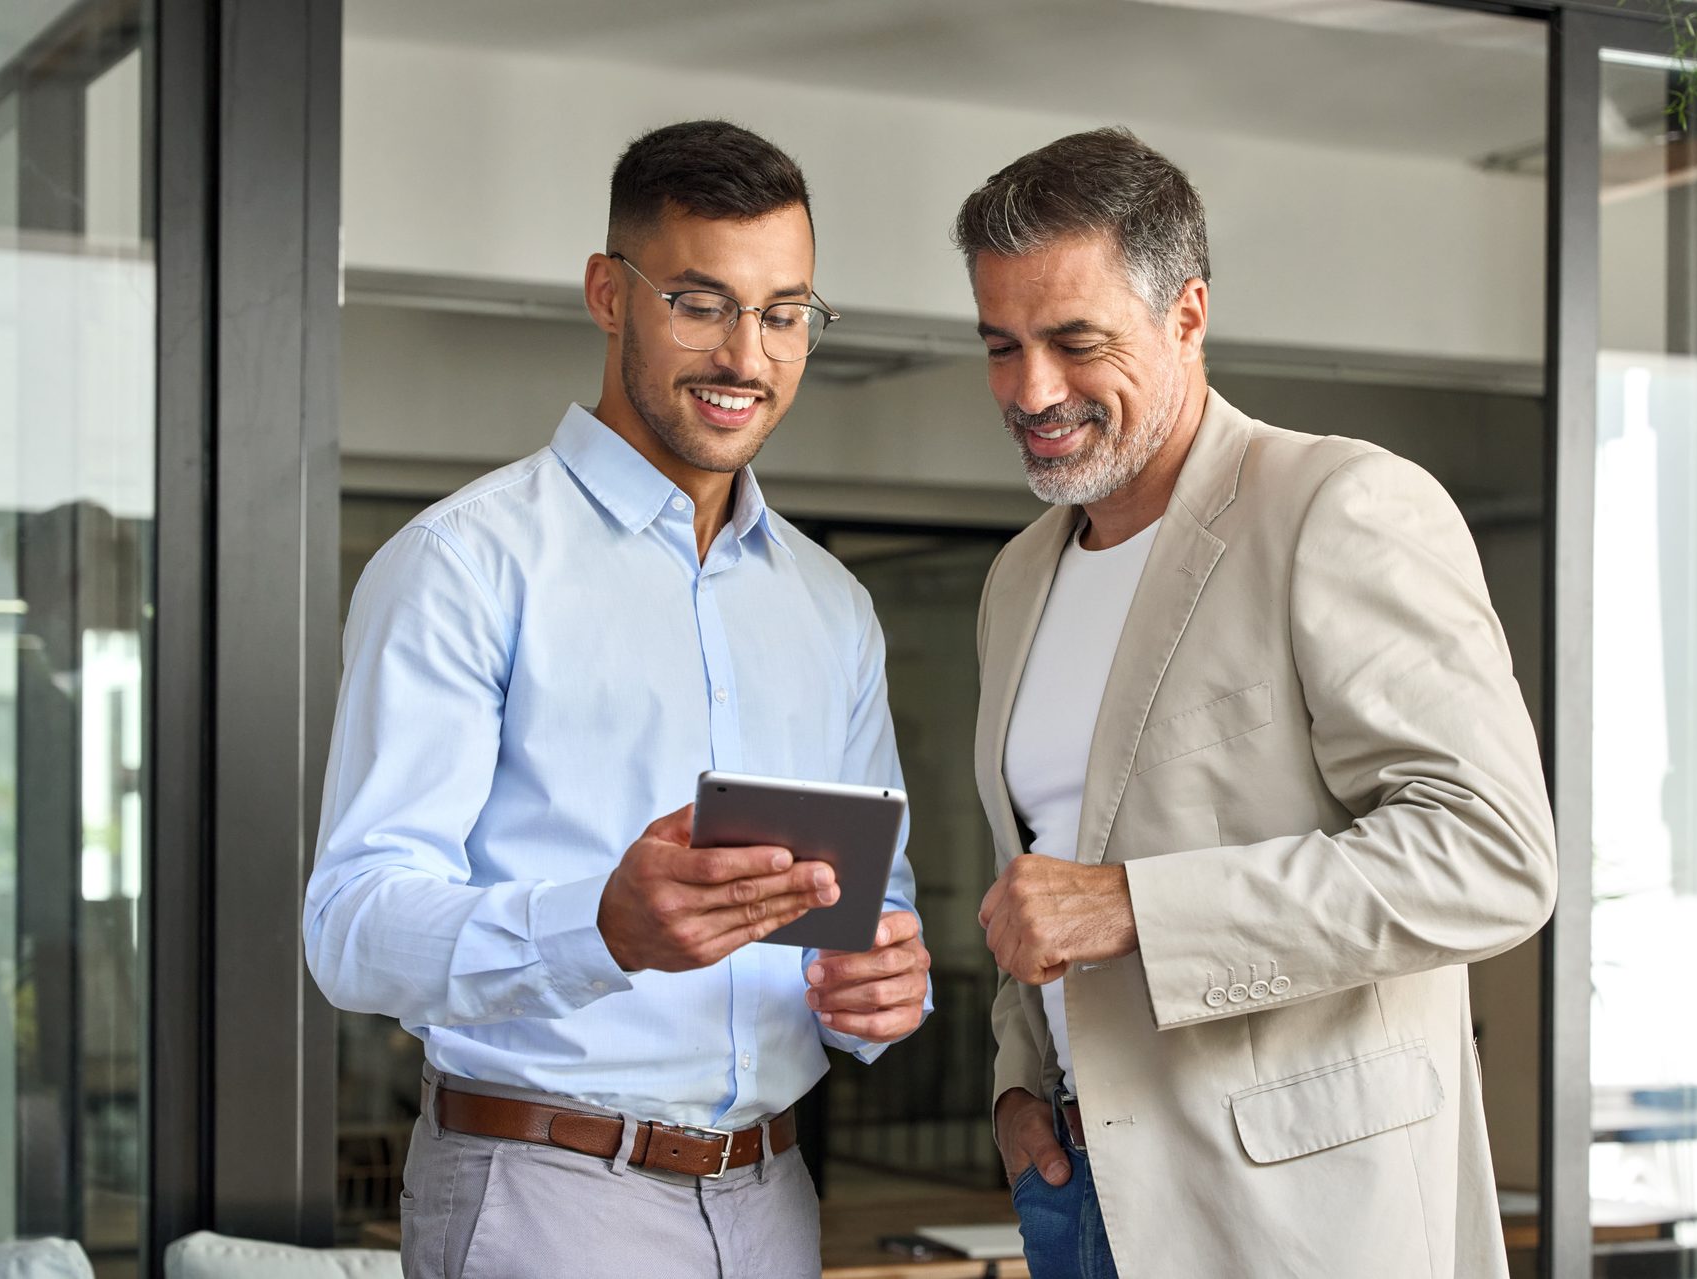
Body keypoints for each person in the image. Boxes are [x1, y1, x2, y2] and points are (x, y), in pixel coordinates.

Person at [304, 120, 931, 1279]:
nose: (746, 354)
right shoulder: (464, 565)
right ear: (609, 293)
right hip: (545, 1195)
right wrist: (598, 927)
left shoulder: (832, 607)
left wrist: (884, 986)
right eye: (701, 303)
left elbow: (870, 904)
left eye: (784, 313)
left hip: (777, 1196)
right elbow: (352, 925)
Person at [956, 127, 1557, 1279]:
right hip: (1073, 1193)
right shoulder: (1018, 577)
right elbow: (1037, 880)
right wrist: (1017, 1090)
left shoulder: (1340, 504)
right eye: (1001, 345)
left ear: (1187, 313)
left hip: (1297, 1221)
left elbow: (1494, 856)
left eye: (1076, 342)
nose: (1032, 390)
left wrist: (1136, 906)